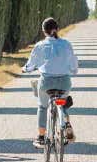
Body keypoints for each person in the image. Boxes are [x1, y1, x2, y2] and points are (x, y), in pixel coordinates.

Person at [23, 17, 81, 148]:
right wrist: (73, 70)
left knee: (43, 107)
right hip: (64, 82)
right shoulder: (66, 44)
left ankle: (41, 137)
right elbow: (74, 66)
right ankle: (66, 123)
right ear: (58, 29)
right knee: (63, 104)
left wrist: (26, 69)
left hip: (46, 83)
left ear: (44, 31)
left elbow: (31, 65)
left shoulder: (40, 45)